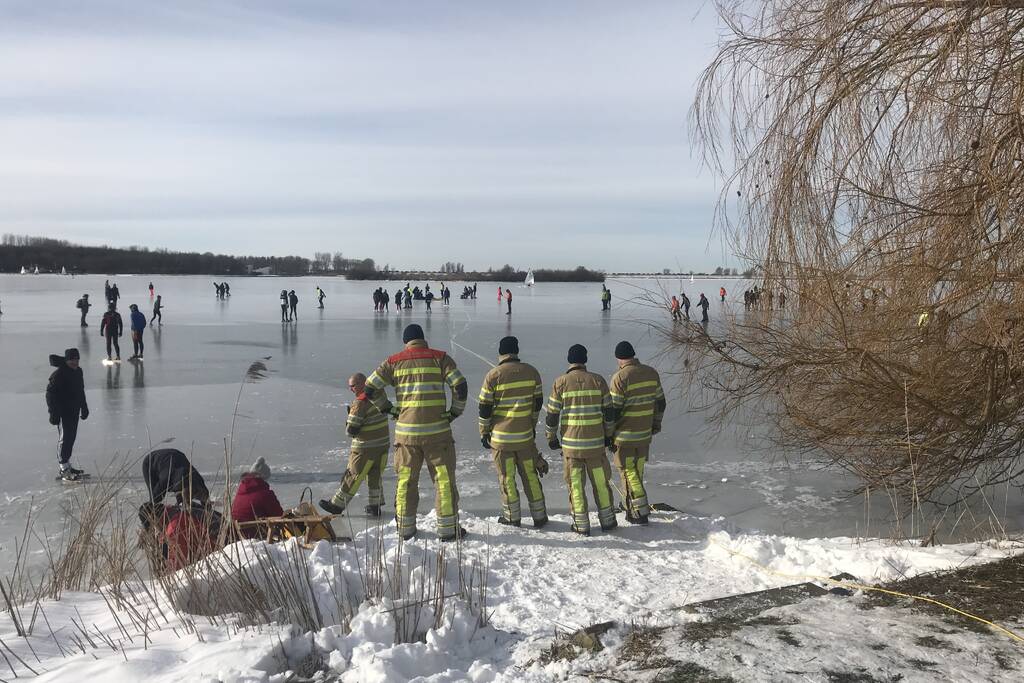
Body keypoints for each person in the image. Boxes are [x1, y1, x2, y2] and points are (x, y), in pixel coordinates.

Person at [364, 324, 468, 541]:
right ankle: (448, 529)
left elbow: (370, 388)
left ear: (406, 342)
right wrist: (454, 412)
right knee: (443, 481)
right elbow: (460, 386)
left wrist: (389, 409)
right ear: (423, 339)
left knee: (406, 481)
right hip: (438, 434)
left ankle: (405, 529)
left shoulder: (393, 362)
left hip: (406, 436)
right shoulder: (440, 358)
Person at [477, 336, 548, 528]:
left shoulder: (493, 375)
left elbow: (484, 408)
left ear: (501, 353)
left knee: (507, 478)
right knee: (531, 476)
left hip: (501, 440)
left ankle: (512, 517)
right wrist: (531, 425)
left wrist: (484, 432)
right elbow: (537, 404)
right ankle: (540, 516)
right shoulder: (532, 372)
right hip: (525, 438)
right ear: (516, 351)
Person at [545, 344, 616, 536]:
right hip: (596, 446)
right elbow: (609, 413)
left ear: (569, 360)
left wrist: (551, 437)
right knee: (601, 484)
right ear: (585, 359)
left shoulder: (560, 382)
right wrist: (609, 435)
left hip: (571, 448)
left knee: (576, 486)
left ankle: (581, 524)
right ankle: (608, 520)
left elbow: (552, 415)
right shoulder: (598, 381)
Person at [608, 341, 666, 525]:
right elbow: (661, 403)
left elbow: (614, 411)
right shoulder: (651, 373)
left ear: (619, 358)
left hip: (624, 437)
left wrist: (608, 434)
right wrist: (656, 423)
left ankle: (639, 512)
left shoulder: (620, 377)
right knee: (637, 471)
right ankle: (631, 506)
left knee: (628, 473)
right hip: (644, 435)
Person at [320, 373, 391, 516]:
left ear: (361, 383)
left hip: (364, 448)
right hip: (383, 445)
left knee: (353, 475)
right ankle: (375, 505)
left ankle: (336, 505)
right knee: (375, 475)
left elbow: (351, 430)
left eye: (353, 386)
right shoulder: (380, 394)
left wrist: (349, 418)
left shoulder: (359, 403)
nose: (351, 389)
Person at [46, 348, 89, 481]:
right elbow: (50, 395)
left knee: (71, 438)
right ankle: (63, 469)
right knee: (64, 439)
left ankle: (67, 465)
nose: (75, 362)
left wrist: (84, 407)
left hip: (74, 411)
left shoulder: (78, 371)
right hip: (63, 412)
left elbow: (81, 391)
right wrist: (53, 413)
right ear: (66, 360)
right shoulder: (59, 374)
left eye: (77, 359)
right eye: (72, 360)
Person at [232, 457, 284, 539]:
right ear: (262, 478)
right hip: (257, 534)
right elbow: (279, 514)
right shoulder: (265, 494)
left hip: (238, 534)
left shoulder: (240, 492)